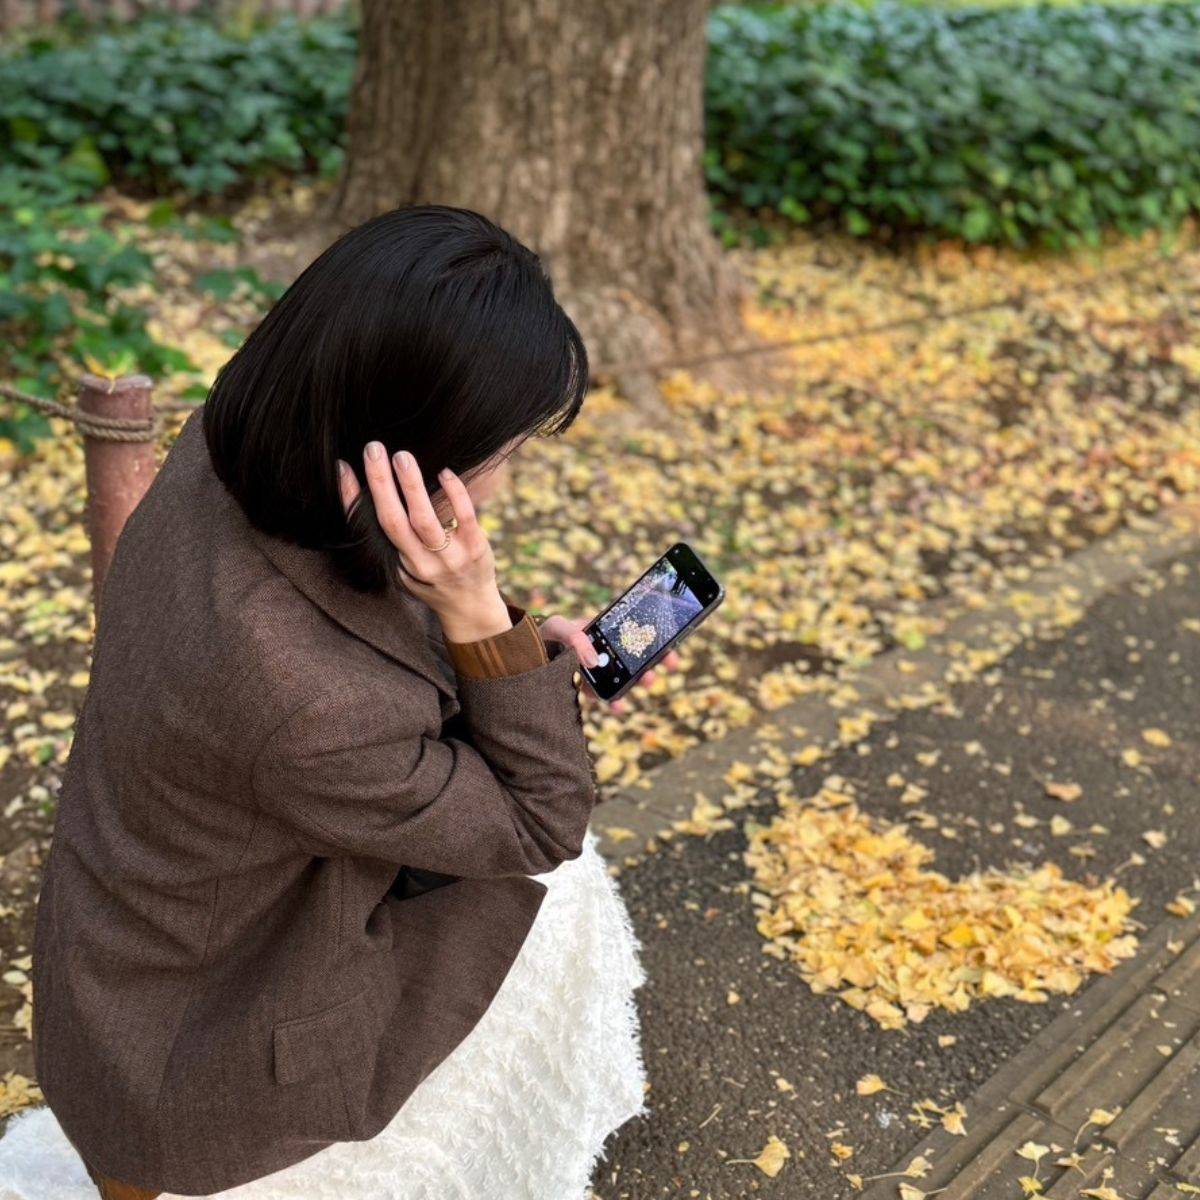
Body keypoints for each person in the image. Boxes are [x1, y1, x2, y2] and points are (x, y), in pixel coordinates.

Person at [7, 205, 670, 1200]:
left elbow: (351, 635)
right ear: (408, 452)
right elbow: (541, 819)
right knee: (563, 888)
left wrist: (511, 649)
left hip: (123, 952)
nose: (505, 483)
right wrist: (479, 617)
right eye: (505, 448)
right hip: (201, 1041)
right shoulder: (300, 699)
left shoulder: (233, 452)